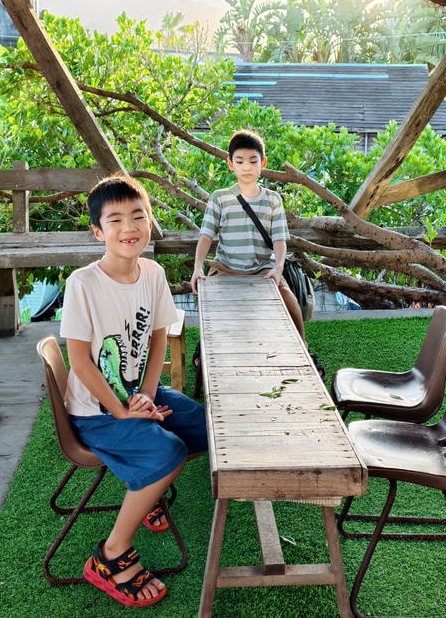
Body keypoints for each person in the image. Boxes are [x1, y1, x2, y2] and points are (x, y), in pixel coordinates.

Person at [60, 174, 208, 609]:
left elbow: (159, 336)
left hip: (135, 393)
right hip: (96, 413)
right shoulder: (82, 284)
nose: (129, 227)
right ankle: (111, 554)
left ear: (150, 221)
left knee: (207, 428)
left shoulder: (153, 273)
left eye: (138, 216)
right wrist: (122, 410)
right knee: (167, 452)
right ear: (97, 231)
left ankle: (148, 493)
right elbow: (81, 362)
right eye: (116, 219)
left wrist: (144, 394)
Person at [190, 128, 306, 338]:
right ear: (230, 164)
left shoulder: (273, 200)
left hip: (262, 268)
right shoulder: (219, 197)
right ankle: (203, 348)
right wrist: (197, 267)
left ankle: (303, 346)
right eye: (240, 161)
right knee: (209, 303)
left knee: (287, 296)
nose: (247, 167)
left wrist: (278, 268)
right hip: (225, 267)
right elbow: (206, 236)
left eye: (253, 161)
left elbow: (280, 240)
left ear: (263, 163)